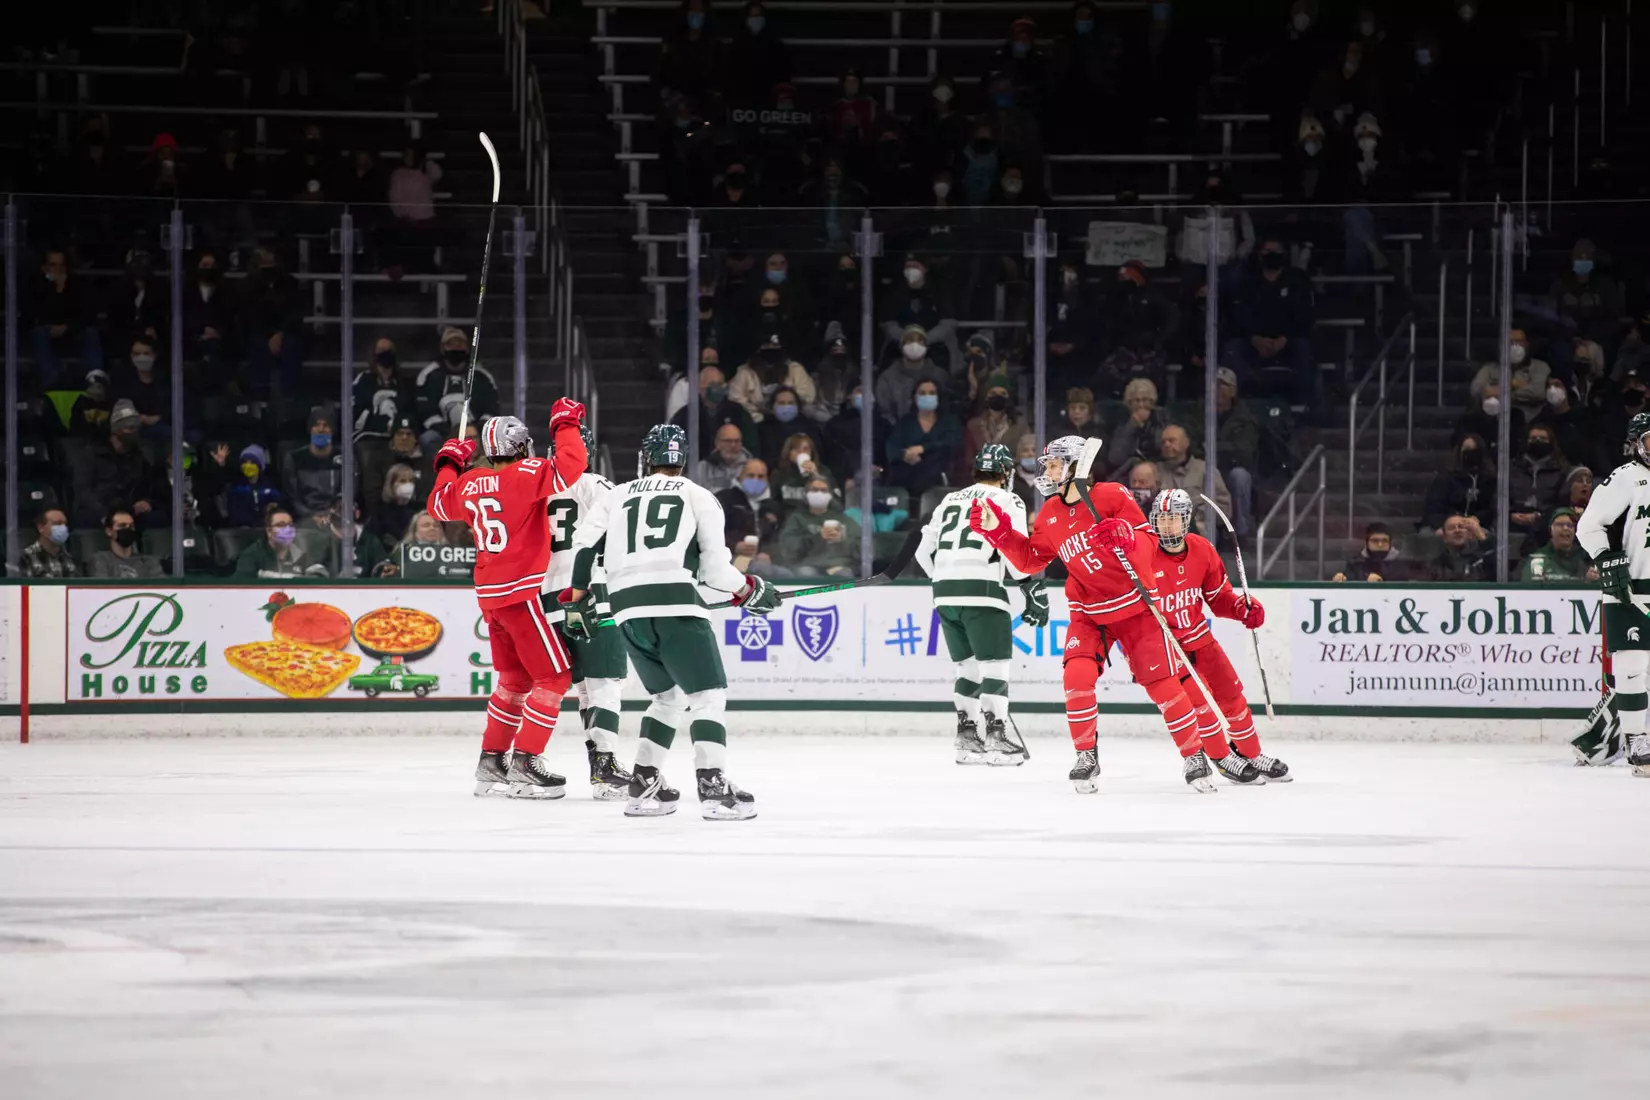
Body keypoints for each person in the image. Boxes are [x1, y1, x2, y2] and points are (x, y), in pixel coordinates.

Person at [968, 436, 1266, 792]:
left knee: (1164, 686)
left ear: (1076, 466)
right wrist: (998, 531)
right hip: (1088, 612)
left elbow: (1146, 543)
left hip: (1135, 606)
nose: (1045, 471)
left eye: (1052, 464)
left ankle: (1194, 755)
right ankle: (1086, 756)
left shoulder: (1112, 495)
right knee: (1076, 679)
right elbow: (1031, 559)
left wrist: (1126, 535)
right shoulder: (1049, 513)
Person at [564, 424, 781, 819]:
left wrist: (577, 599)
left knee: (667, 698)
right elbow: (716, 571)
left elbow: (583, 550)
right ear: (680, 461)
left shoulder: (618, 494)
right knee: (708, 696)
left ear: (646, 459)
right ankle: (713, 786)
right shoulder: (699, 496)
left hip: (625, 610)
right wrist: (751, 590)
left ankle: (644, 782)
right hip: (678, 606)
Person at [427, 401, 590, 800]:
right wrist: (565, 422)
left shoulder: (470, 482)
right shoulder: (526, 473)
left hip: (489, 596)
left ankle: (491, 759)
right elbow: (572, 463)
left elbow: (437, 504)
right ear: (520, 447)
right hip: (520, 593)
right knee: (554, 677)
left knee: (514, 681)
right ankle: (525, 760)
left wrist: (449, 461)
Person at [915, 443, 1046, 767]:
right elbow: (1014, 551)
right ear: (1005, 472)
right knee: (995, 666)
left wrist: (942, 579)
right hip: (983, 589)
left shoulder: (948, 499)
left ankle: (966, 740)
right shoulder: (1009, 499)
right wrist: (1030, 589)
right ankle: (997, 739)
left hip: (943, 592)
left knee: (967, 668)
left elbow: (921, 553)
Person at [1147, 490, 1287, 780]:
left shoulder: (1203, 550)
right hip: (1167, 647)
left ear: (1186, 520)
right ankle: (1221, 757)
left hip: (1200, 638)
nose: (1167, 525)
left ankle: (1250, 753)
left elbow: (1219, 597)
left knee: (1231, 696)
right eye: (1161, 519)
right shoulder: (1144, 554)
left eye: (1173, 518)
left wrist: (1241, 607)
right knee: (1202, 703)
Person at [541, 423, 634, 801]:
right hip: (589, 591)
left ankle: (515, 760)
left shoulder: (536, 486)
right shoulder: (598, 486)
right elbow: (621, 534)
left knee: (580, 687)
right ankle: (605, 767)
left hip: (546, 597)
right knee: (605, 683)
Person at [1577, 411, 1650, 775]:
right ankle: (1636, 741)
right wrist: (1606, 558)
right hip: (1632, 588)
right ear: (1637, 444)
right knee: (1632, 667)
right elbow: (1589, 525)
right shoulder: (1626, 478)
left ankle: (1599, 738)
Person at [1224, 238, 1316, 406]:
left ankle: (1304, 407)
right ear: (1259, 256)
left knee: (1303, 348)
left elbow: (1305, 315)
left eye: (1277, 252)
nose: (1272, 256)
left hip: (1287, 342)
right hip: (1254, 343)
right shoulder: (1247, 281)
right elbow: (1238, 316)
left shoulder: (1296, 279)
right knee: (1233, 349)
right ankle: (1241, 406)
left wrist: (1285, 338)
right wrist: (1254, 338)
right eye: (1267, 252)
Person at [27, 249, 101, 389]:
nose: (58, 269)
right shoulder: (35, 285)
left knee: (91, 333)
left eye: (61, 265)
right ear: (44, 268)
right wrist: (57, 291)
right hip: (47, 331)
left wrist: (67, 326)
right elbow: (36, 314)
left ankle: (95, 381)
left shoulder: (76, 284)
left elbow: (85, 313)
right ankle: (52, 383)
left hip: (71, 331)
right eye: (53, 265)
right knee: (39, 333)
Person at [417, 327, 498, 454]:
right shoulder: (429, 375)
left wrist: (476, 430)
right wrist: (448, 432)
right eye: (451, 344)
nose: (456, 348)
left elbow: (492, 409)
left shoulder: (482, 376)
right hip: (442, 433)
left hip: (477, 432)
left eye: (460, 344)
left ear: (467, 348)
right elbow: (425, 412)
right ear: (443, 348)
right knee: (428, 438)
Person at [886, 379, 962, 496]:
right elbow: (891, 447)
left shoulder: (949, 421)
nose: (927, 396)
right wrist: (905, 455)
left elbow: (952, 442)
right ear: (915, 398)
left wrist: (923, 448)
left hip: (938, 480)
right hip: (907, 481)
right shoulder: (906, 422)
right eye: (922, 393)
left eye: (932, 393)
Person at [1155, 424, 1232, 538]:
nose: (1166, 445)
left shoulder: (1205, 470)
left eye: (1171, 441)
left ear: (1186, 443)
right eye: (1163, 442)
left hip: (1199, 533)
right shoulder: (1155, 471)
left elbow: (1224, 509)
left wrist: (1194, 516)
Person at [776, 476, 861, 577]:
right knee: (806, 574)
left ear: (830, 495)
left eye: (824, 490)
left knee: (844, 575)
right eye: (815, 490)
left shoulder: (844, 520)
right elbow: (788, 549)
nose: (819, 493)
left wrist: (843, 540)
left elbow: (863, 547)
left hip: (839, 566)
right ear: (806, 493)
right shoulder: (797, 519)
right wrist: (817, 537)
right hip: (808, 566)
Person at [673, 362, 759, 457]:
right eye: (712, 384)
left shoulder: (738, 412)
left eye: (720, 384)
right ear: (700, 388)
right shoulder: (685, 416)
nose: (716, 388)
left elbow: (751, 447)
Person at [1213, 367, 1259, 536]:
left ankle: (1239, 533)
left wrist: (1214, 447)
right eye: (1215, 385)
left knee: (1240, 476)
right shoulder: (1199, 412)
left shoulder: (1245, 418)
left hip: (1230, 469)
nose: (1218, 390)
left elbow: (1244, 451)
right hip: (1205, 468)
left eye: (1223, 385)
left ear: (1233, 391)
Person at [729, 333, 815, 423]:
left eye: (775, 347)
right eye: (767, 347)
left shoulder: (795, 369)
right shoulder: (745, 372)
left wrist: (786, 406)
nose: (772, 350)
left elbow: (807, 395)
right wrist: (757, 415)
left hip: (791, 418)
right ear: (759, 349)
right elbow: (735, 399)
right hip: (757, 420)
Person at [1508, 424, 1569, 548]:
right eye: (1533, 438)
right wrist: (1510, 514)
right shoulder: (1512, 468)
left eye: (1542, 439)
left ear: (1551, 442)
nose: (1538, 441)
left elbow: (1563, 501)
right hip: (1514, 518)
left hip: (1546, 521)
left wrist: (1540, 516)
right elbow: (1499, 496)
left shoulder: (1562, 469)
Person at [281, 407, 344, 518]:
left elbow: (348, 492)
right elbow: (293, 498)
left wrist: (334, 512)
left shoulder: (343, 457)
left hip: (336, 517)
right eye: (317, 425)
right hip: (305, 519)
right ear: (310, 429)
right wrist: (311, 516)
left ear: (332, 430)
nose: (321, 429)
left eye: (326, 425)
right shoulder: (295, 458)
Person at [234, 504, 329, 578]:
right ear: (269, 531)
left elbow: (319, 576)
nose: (287, 529)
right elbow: (241, 588)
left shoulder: (302, 553)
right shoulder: (252, 555)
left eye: (290, 525)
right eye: (281, 525)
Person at [1468, 328, 1549, 415]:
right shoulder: (1489, 369)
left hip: (1532, 421)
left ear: (1527, 344)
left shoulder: (1540, 367)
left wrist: (1500, 393)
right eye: (1510, 342)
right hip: (1497, 419)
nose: (1515, 346)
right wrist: (1518, 387)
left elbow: (1538, 392)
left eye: (1519, 341)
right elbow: (1476, 390)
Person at [352, 338, 417, 441]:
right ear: (374, 354)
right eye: (381, 350)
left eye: (388, 350)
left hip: (399, 437)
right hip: (368, 436)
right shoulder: (363, 380)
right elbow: (356, 414)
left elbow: (410, 412)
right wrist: (383, 423)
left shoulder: (404, 383)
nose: (385, 353)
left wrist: (396, 425)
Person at [1105, 377, 1168, 478]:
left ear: (1152, 402)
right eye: (1136, 401)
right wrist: (1131, 426)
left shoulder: (1161, 418)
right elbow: (1115, 458)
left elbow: (1162, 450)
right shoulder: (1121, 419)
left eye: (1145, 400)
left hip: (1157, 472)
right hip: (1128, 473)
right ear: (1129, 403)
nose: (1141, 405)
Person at [87, 507, 164, 579]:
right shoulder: (101, 560)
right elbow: (103, 590)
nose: (127, 529)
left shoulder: (149, 562)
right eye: (122, 526)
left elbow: (162, 589)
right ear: (109, 531)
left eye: (131, 526)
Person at [1523, 508, 1596, 582]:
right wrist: (1582, 582)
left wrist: (1591, 581)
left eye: (1570, 525)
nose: (1565, 528)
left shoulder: (1585, 559)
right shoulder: (1538, 561)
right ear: (1551, 529)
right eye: (1560, 524)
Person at [771, 434, 833, 507]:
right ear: (789, 452)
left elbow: (835, 501)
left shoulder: (823, 470)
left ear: (811, 453)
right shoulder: (779, 473)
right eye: (797, 449)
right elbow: (774, 501)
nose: (801, 452)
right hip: (789, 515)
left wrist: (816, 476)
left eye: (805, 449)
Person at [1333, 522, 1409, 582]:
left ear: (1390, 543)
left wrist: (1382, 583)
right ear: (1367, 542)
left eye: (1384, 541)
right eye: (1375, 540)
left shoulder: (1399, 565)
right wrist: (1341, 579)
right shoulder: (1355, 563)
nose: (1380, 544)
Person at [1428, 513, 1490, 583]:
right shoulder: (1436, 564)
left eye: (1461, 527)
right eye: (1451, 528)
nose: (1457, 531)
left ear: (1469, 534)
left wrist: (1481, 536)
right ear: (1445, 537)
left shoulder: (1483, 559)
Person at [20, 507, 79, 578]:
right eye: (58, 523)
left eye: (65, 524)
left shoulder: (69, 557)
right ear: (41, 528)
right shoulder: (27, 557)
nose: (63, 528)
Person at [699, 423, 756, 494]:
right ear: (717, 443)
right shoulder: (703, 468)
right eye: (728, 441)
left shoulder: (753, 467)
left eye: (737, 441)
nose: (733, 445)